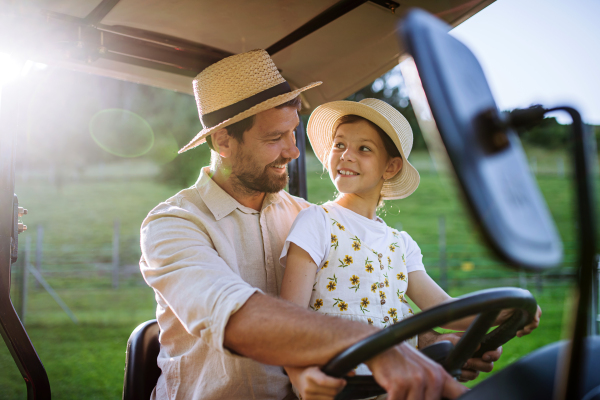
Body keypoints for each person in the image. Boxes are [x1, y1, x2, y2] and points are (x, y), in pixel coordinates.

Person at [140, 49, 504, 400]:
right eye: (273, 138)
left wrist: (427, 344)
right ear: (223, 141)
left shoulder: (308, 214)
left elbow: (347, 298)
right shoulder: (173, 225)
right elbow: (236, 317)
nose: (294, 151)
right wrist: (363, 344)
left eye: (292, 132)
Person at [278, 99, 542, 399]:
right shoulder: (317, 222)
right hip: (340, 387)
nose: (346, 155)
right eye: (339, 145)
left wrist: (508, 312)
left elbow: (444, 310)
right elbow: (290, 318)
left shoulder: (400, 244)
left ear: (390, 167)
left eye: (364, 148)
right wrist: (300, 376)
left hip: (400, 385)